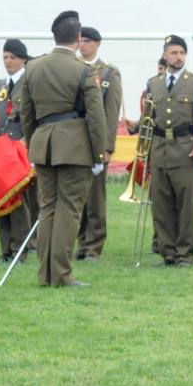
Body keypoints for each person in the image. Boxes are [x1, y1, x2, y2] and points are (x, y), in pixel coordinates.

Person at [16, 10, 106, 287]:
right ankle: (62, 275)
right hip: (74, 147)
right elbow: (96, 118)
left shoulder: (33, 67)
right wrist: (98, 154)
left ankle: (46, 274)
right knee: (69, 209)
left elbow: (27, 114)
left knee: (48, 209)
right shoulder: (85, 70)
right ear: (78, 38)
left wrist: (34, 146)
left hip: (43, 145)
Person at [143, 35, 193, 267]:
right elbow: (149, 118)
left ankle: (185, 253)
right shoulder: (153, 84)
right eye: (174, 53)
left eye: (182, 53)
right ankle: (168, 252)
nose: (178, 57)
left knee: (185, 206)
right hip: (159, 150)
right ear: (165, 55)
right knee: (161, 206)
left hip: (185, 151)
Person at [75, 26, 123, 261]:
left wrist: (106, 147)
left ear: (97, 44)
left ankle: (93, 245)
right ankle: (81, 242)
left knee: (95, 198)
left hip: (96, 143)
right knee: (78, 197)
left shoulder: (108, 74)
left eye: (87, 41)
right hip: (75, 143)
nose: (82, 45)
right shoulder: (74, 68)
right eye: (80, 40)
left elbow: (111, 113)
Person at [0, 38, 32, 261]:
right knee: (0, 198)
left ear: (23, 60)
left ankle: (20, 247)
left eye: (13, 57)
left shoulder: (30, 83)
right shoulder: (0, 85)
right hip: (1, 149)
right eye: (5, 57)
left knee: (19, 201)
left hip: (20, 148)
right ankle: (6, 249)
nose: (8, 61)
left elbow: (34, 115)